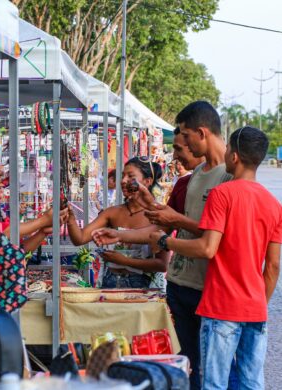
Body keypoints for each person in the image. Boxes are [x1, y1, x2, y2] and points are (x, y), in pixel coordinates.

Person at [93, 101, 234, 390]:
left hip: (209, 289)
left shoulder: (229, 177)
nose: (179, 144)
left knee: (215, 373)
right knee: (188, 365)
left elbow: (221, 237)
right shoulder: (195, 176)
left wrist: (173, 221)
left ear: (201, 132)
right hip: (181, 284)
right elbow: (166, 226)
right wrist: (121, 234)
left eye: (183, 137)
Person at [150, 127, 282, 390]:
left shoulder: (222, 194)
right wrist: (258, 304)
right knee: (251, 382)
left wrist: (165, 241)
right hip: (255, 310)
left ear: (234, 157)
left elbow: (207, 248)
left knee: (213, 383)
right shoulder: (273, 204)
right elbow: (274, 265)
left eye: (229, 149)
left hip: (221, 307)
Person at [67, 157, 170, 288]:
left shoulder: (158, 215)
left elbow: (162, 264)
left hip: (144, 286)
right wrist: (70, 217)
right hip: (110, 282)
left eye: (130, 176)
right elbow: (79, 239)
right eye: (123, 176)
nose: (123, 181)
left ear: (148, 181)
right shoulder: (112, 212)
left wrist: (125, 261)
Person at [167, 127, 205, 215]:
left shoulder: (225, 179)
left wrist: (178, 220)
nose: (174, 156)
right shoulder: (182, 183)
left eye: (178, 149)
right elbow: (166, 221)